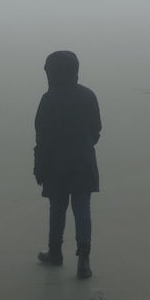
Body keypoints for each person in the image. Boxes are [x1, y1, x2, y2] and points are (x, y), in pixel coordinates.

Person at [34, 50, 101, 279]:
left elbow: (41, 136)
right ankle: (84, 260)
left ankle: (55, 252)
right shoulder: (88, 96)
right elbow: (96, 130)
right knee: (82, 208)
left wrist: (39, 166)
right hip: (84, 161)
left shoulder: (48, 99)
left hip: (56, 164)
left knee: (58, 208)